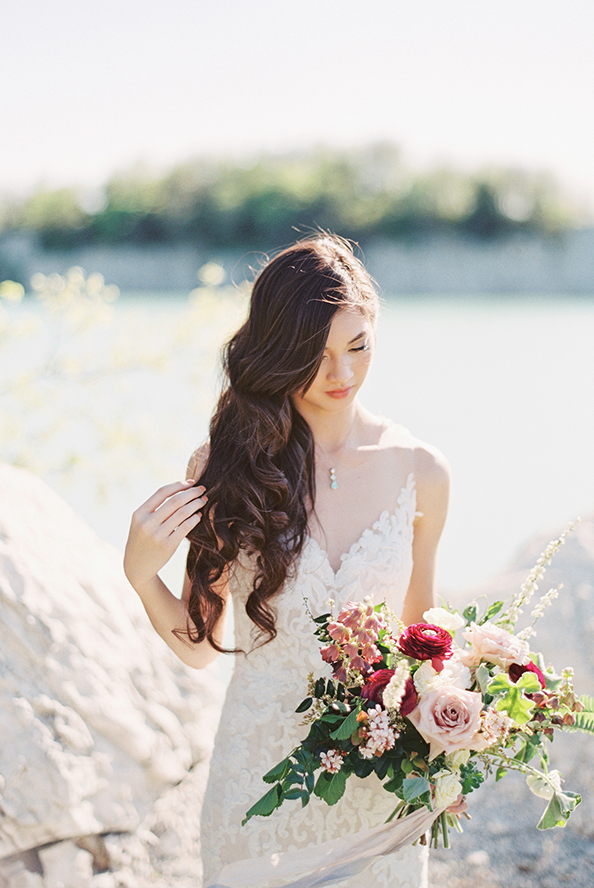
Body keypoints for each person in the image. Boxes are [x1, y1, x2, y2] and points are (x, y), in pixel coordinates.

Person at [123, 235, 451, 888]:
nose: (343, 375)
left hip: (378, 787)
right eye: (315, 354)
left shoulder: (422, 473)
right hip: (258, 792)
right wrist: (139, 573)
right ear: (276, 351)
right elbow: (197, 645)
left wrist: (453, 747)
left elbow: (424, 639)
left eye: (358, 347)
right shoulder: (224, 468)